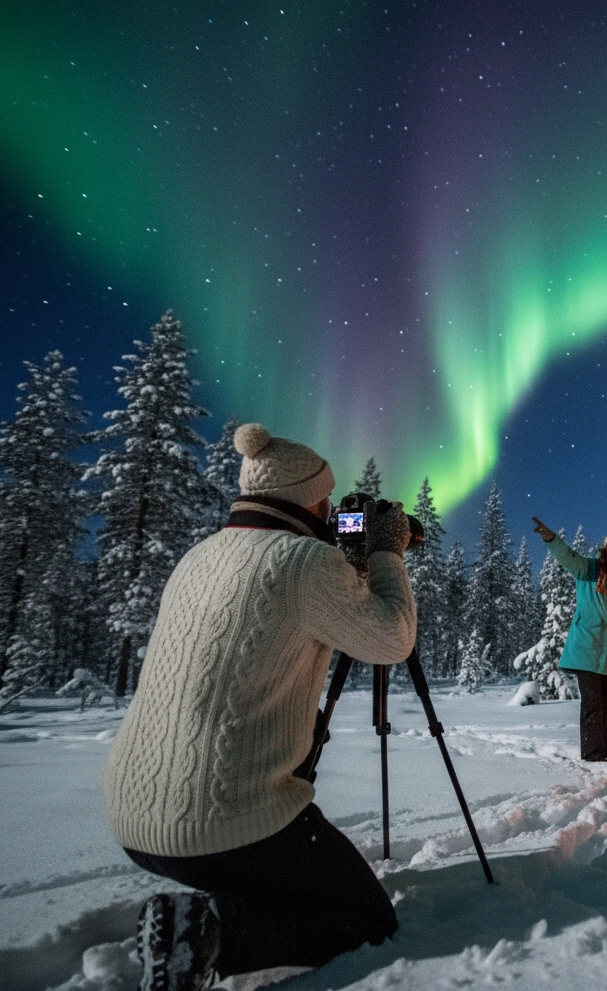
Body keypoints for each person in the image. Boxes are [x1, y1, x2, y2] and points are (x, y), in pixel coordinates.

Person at [102, 423, 417, 989]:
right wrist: (387, 551)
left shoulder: (200, 555)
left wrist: (351, 565)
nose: (329, 512)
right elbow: (393, 638)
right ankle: (203, 928)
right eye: (324, 499)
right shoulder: (304, 564)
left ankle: (216, 900)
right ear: (304, 499)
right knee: (367, 916)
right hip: (220, 818)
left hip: (133, 812)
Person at [531, 518, 607, 761]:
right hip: (587, 647)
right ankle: (592, 754)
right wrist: (551, 539)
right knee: (592, 703)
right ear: (606, 545)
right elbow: (569, 558)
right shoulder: (590, 569)